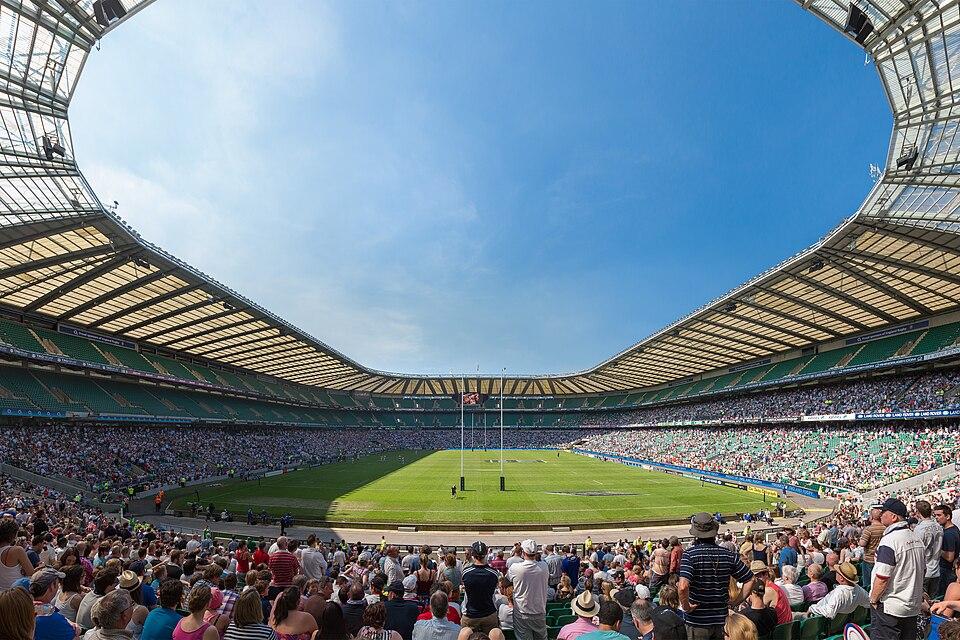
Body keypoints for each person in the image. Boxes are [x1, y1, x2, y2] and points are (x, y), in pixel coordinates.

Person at [678, 513, 755, 640]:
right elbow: (751, 579)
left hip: (697, 623)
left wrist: (686, 607)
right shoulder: (728, 555)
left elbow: (682, 587)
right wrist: (736, 602)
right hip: (722, 623)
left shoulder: (690, 555)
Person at [869, 497, 925, 640]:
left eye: (883, 512)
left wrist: (874, 599)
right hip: (911, 606)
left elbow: (882, 577)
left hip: (890, 607)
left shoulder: (890, 540)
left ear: (893, 517)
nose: (880, 515)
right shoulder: (916, 538)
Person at [507, 539, 548, 640]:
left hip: (522, 612)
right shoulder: (544, 566)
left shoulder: (515, 568)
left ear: (523, 552)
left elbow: (507, 580)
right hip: (539, 611)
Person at [461, 542, 502, 634]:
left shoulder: (466, 572)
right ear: (486, 553)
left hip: (470, 615)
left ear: (472, 555)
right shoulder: (494, 573)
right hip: (489, 614)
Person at [30, 567, 75, 640]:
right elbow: (74, 636)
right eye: (57, 584)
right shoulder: (52, 618)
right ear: (51, 586)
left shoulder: (23, 606)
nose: (58, 587)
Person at [914, 501, 942, 598]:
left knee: (923, 604)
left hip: (925, 571)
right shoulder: (939, 526)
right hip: (936, 568)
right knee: (933, 601)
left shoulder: (919, 529)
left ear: (918, 512)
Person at [0, 517, 34, 589]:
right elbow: (31, 574)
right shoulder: (18, 550)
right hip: (15, 595)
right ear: (13, 534)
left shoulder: (15, 550)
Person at [860, 507, 886, 590]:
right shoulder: (885, 528)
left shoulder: (868, 529)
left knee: (867, 583)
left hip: (868, 559)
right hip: (881, 558)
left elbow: (862, 543)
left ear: (871, 517)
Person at [938, 505, 960, 598]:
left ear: (947, 516)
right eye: (935, 515)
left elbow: (950, 557)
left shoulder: (949, 534)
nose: (936, 518)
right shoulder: (953, 528)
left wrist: (938, 550)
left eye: (939, 515)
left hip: (947, 571)